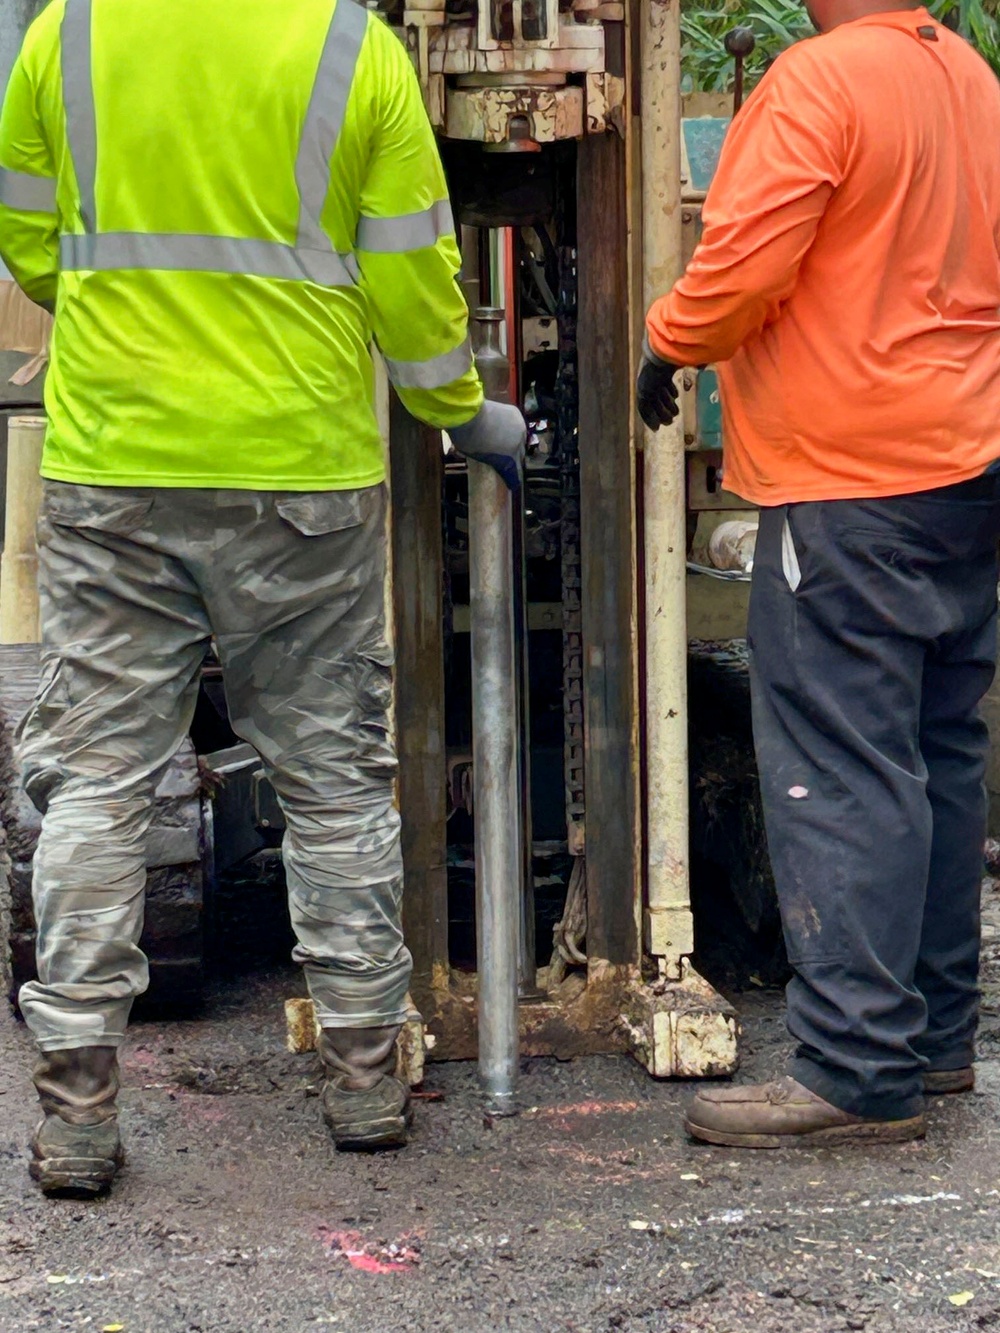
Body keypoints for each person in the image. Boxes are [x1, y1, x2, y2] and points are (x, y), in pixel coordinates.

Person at [0, 0, 524, 1194]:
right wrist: (461, 413)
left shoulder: (65, 35)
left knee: (95, 783)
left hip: (115, 459)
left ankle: (78, 1115)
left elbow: (28, 243)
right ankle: (361, 1082)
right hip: (301, 470)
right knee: (333, 779)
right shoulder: (351, 47)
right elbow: (407, 281)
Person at [639, 0, 1000, 1147]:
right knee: (936, 752)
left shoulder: (817, 80)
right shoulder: (969, 80)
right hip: (967, 458)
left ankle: (854, 1068)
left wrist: (668, 340)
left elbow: (742, 266)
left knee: (843, 765)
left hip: (847, 476)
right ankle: (932, 1039)